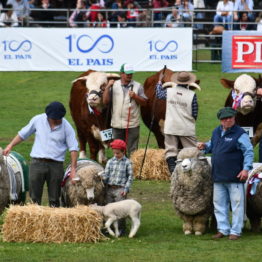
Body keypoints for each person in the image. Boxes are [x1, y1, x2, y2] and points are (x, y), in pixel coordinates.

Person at [3, 101, 79, 207]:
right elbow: (23, 134)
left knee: (55, 198)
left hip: (56, 166)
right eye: (55, 118)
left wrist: (73, 169)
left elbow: (74, 148)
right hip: (37, 163)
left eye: (60, 118)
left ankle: (54, 220)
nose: (58, 120)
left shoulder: (66, 126)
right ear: (48, 116)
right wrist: (10, 145)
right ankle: (35, 220)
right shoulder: (38, 120)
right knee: (34, 197)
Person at [197, 107, 253, 240]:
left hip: (235, 176)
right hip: (218, 176)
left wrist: (246, 169)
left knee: (237, 205)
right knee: (219, 204)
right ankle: (223, 229)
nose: (228, 120)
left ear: (234, 118)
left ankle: (236, 231)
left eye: (230, 118)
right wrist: (204, 146)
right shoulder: (216, 132)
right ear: (220, 120)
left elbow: (249, 151)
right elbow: (212, 145)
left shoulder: (240, 134)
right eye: (224, 119)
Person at [156, 71, 199, 174]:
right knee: (191, 151)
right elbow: (195, 113)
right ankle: (191, 171)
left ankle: (173, 171)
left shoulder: (169, 91)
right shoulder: (192, 95)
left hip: (171, 125)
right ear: (188, 82)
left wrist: (159, 82)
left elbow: (158, 94)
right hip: (186, 127)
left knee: (170, 151)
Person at [103, 63, 147, 156]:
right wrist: (107, 87)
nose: (129, 75)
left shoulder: (138, 86)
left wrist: (135, 96)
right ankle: (120, 168)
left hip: (132, 125)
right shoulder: (113, 85)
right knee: (118, 149)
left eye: (131, 73)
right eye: (127, 73)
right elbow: (105, 102)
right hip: (116, 124)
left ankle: (132, 168)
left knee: (133, 150)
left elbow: (144, 103)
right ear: (121, 74)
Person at [100, 139, 133, 236]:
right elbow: (106, 174)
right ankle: (109, 228)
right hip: (110, 188)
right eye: (114, 153)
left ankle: (121, 228)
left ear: (123, 151)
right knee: (109, 209)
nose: (115, 155)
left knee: (120, 210)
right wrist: (102, 177)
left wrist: (126, 189)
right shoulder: (110, 162)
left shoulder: (127, 162)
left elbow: (130, 177)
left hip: (120, 189)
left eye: (118, 153)